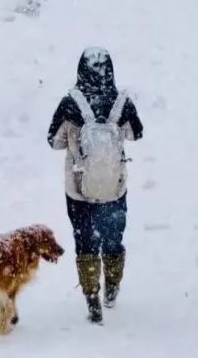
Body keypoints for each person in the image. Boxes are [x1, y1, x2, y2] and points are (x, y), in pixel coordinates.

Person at [47, 48, 144, 324]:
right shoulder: (121, 101)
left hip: (79, 191)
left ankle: (92, 298)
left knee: (85, 244)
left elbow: (53, 142)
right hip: (114, 189)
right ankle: (112, 290)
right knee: (113, 240)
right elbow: (136, 133)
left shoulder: (70, 103)